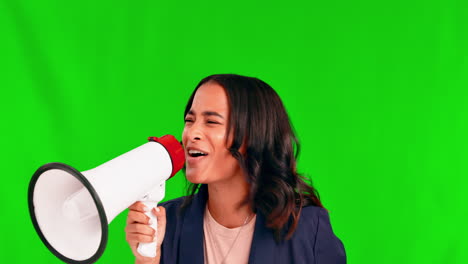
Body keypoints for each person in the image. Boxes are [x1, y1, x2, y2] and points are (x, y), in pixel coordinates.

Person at [125, 74, 346, 264]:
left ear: (253, 137)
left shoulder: (306, 228)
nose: (191, 134)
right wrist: (148, 261)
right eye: (189, 120)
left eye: (211, 122)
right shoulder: (167, 224)